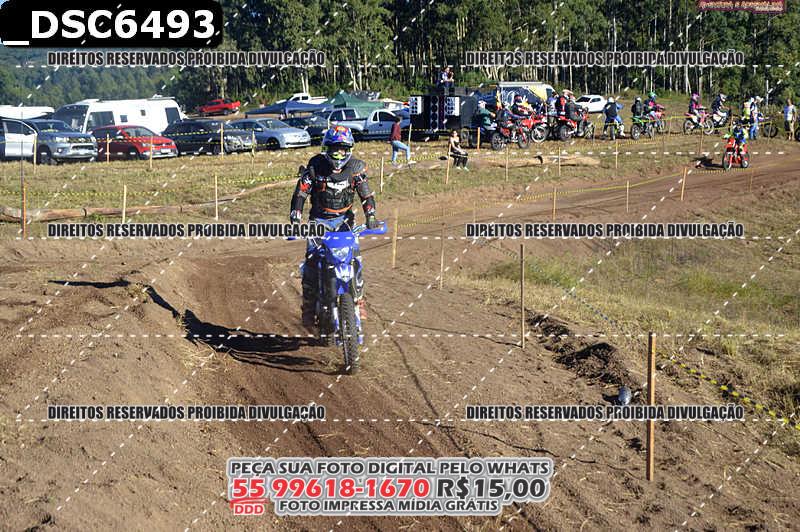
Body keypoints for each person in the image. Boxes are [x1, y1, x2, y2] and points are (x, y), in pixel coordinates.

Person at [290, 125, 379, 326]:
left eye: (343, 150)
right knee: (312, 261)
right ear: (327, 149)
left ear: (349, 150)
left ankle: (358, 300)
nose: (339, 154)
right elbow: (300, 193)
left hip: (345, 221)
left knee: (354, 258)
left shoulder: (356, 168)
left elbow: (366, 195)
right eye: (335, 150)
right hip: (318, 221)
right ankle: (309, 306)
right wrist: (295, 219)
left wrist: (371, 216)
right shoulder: (315, 167)